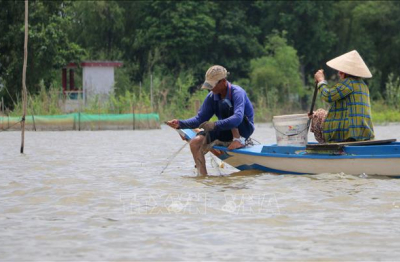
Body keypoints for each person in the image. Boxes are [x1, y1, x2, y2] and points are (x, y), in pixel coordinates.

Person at [166, 65, 255, 176]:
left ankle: (238, 141)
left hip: (243, 130)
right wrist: (180, 124)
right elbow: (199, 119)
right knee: (195, 143)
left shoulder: (237, 93)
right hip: (225, 128)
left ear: (223, 81)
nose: (211, 89)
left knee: (227, 106)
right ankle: (202, 176)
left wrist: (214, 125)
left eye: (213, 85)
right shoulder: (212, 97)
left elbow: (237, 118)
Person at [310, 50, 375, 143]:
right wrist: (314, 114)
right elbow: (342, 112)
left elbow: (328, 95)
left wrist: (320, 81)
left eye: (340, 72)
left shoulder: (349, 83)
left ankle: (327, 145)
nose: (339, 74)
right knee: (317, 114)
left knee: (319, 114)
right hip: (364, 134)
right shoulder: (363, 85)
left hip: (350, 134)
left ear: (346, 72)